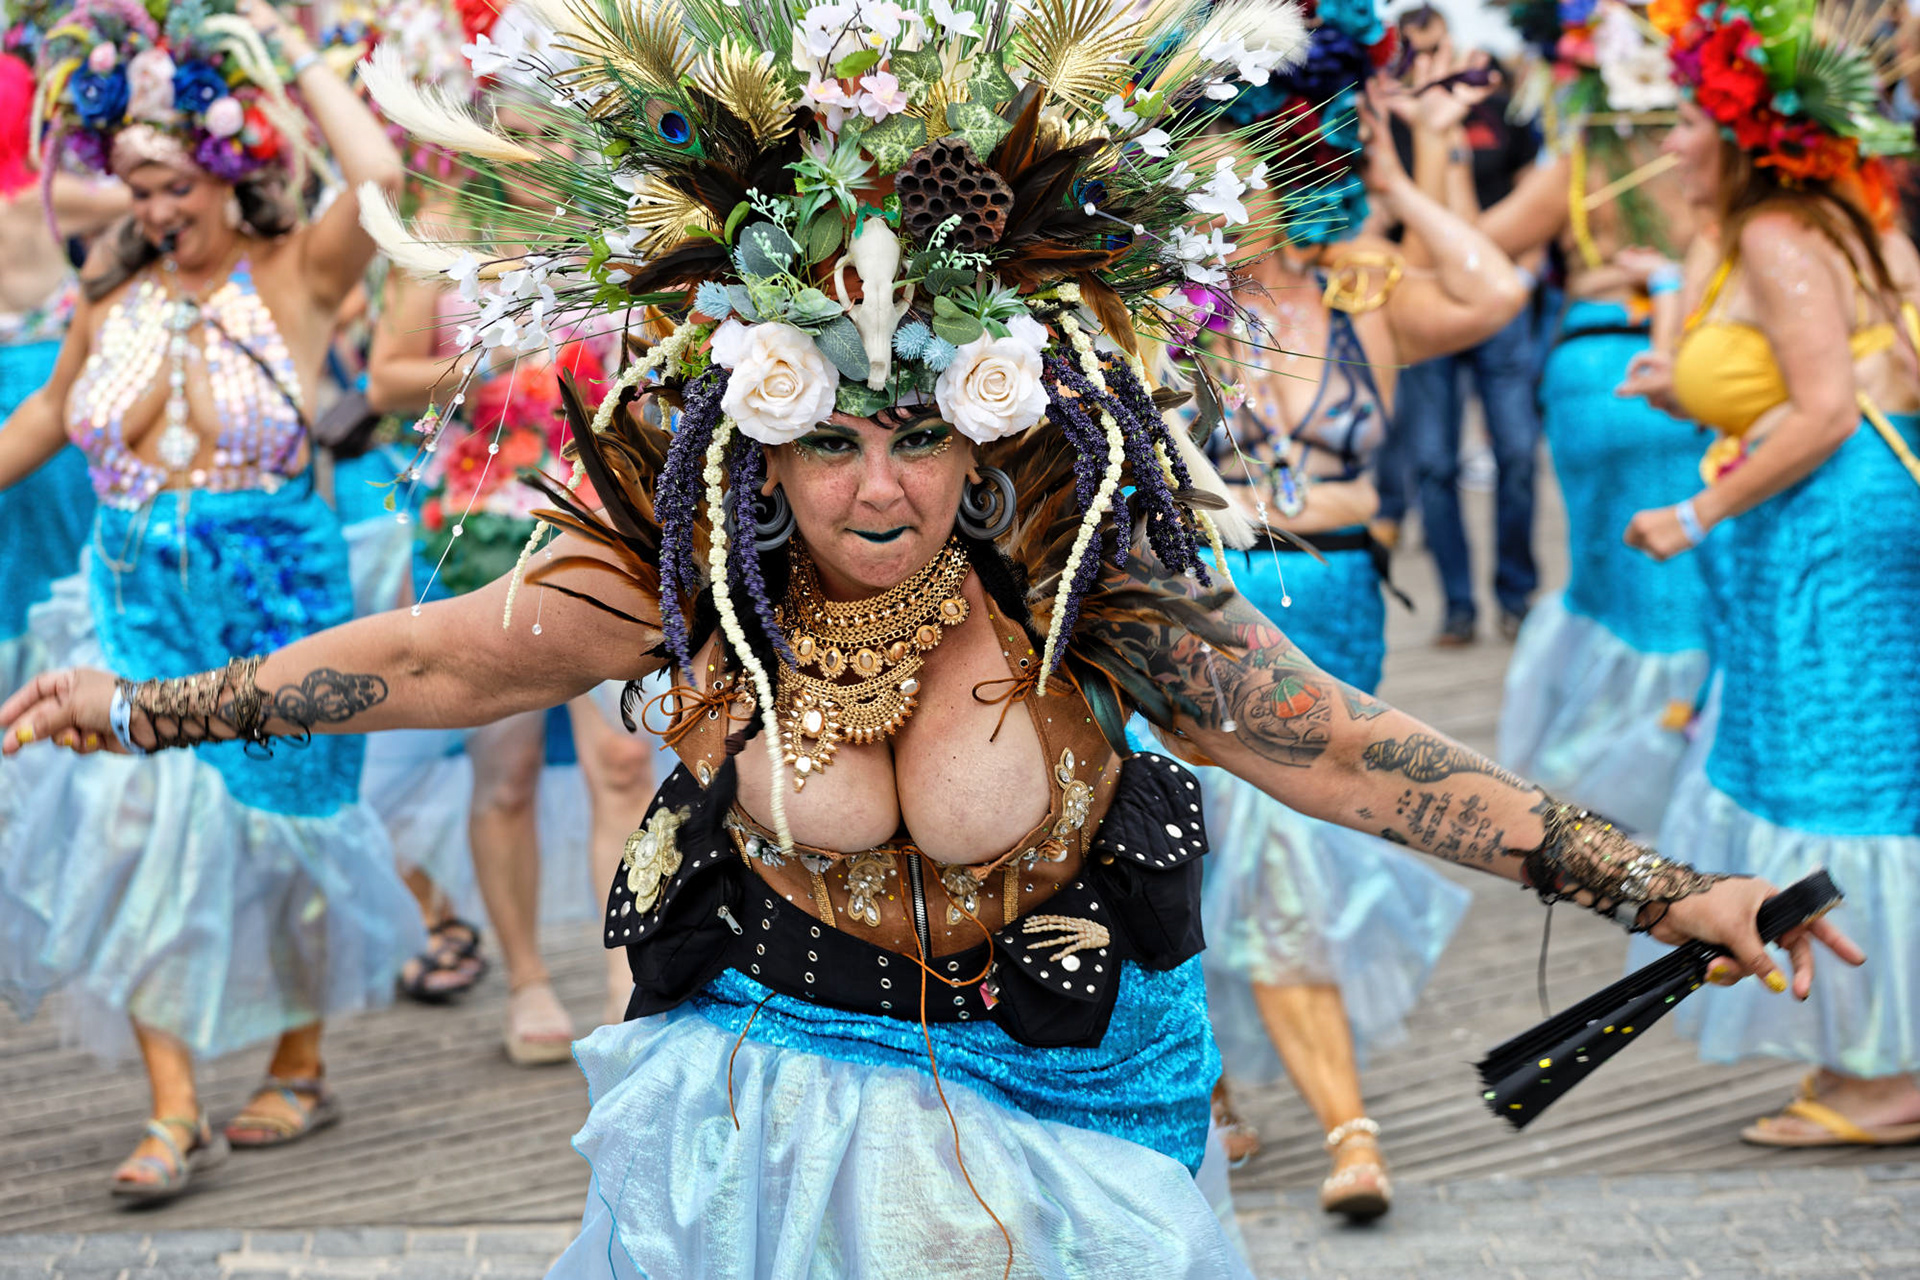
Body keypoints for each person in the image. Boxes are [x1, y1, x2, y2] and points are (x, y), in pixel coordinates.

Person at [3, 0, 1862, 1269]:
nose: (879, 487)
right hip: (768, 1121)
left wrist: (1662, 886)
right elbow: (431, 660)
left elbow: (1348, 751)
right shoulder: (693, 583)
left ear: (993, 417)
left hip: (1070, 1122)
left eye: (922, 432)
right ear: (754, 427)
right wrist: (146, 708)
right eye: (827, 436)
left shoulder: (1081, 578)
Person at [0, 0, 418, 1204]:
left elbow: (380, 170)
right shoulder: (108, 288)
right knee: (136, 830)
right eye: (139, 189)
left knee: (283, 839)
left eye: (176, 182)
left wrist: (278, 57)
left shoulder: (298, 270)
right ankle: (172, 1104)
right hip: (132, 590)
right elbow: (47, 414)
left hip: (273, 585)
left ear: (232, 175)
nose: (156, 210)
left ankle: (300, 1055)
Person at [1197, 11, 1530, 1212]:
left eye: (1273, 157)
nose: (1250, 185)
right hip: (1213, 597)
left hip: (1339, 599)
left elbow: (1493, 286)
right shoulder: (1168, 305)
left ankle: (1239, 1087)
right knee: (1218, 855)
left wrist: (1403, 174)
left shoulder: (1364, 292)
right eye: (1230, 161)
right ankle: (1341, 1126)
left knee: (1290, 859)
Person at [1620, 0, 1920, 1148]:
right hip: (1830, 535)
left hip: (1828, 545)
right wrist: (1689, 390)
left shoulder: (1782, 239)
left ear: (1744, 136)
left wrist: (1694, 510)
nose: (1672, 140)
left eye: (1692, 117)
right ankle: (1879, 1051)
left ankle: (1886, 1065)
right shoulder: (1842, 224)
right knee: (1861, 774)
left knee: (1842, 784)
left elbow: (1833, 408)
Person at [361, 27, 661, 1046]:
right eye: (518, 133)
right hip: (482, 524)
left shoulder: (612, 242)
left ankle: (623, 984)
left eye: (556, 136)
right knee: (505, 771)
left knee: (623, 764)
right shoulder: (437, 236)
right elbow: (382, 378)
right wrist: (495, 361)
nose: (538, 154)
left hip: (600, 517)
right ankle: (527, 976)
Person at [1476, 0, 1712, 835]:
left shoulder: (1577, 166)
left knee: (1604, 578)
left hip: (1589, 368)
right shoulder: (1702, 163)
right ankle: (1686, 762)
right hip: (1684, 367)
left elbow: (1482, 244)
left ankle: (1607, 780)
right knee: (1688, 578)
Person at [1381, 18, 1544, 645]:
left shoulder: (1501, 110)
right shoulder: (1396, 118)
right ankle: (1457, 604)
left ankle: (1515, 590)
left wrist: (1521, 270)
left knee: (1518, 454)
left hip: (1498, 301)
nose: (1428, 59)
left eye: (1436, 45)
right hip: (1426, 302)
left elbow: (1532, 189)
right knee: (1434, 463)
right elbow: (1389, 204)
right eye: (1414, 49)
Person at [0, 36, 127, 697]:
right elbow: (148, 197)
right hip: (56, 389)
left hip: (20, 410)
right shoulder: (47, 201)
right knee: (63, 566)